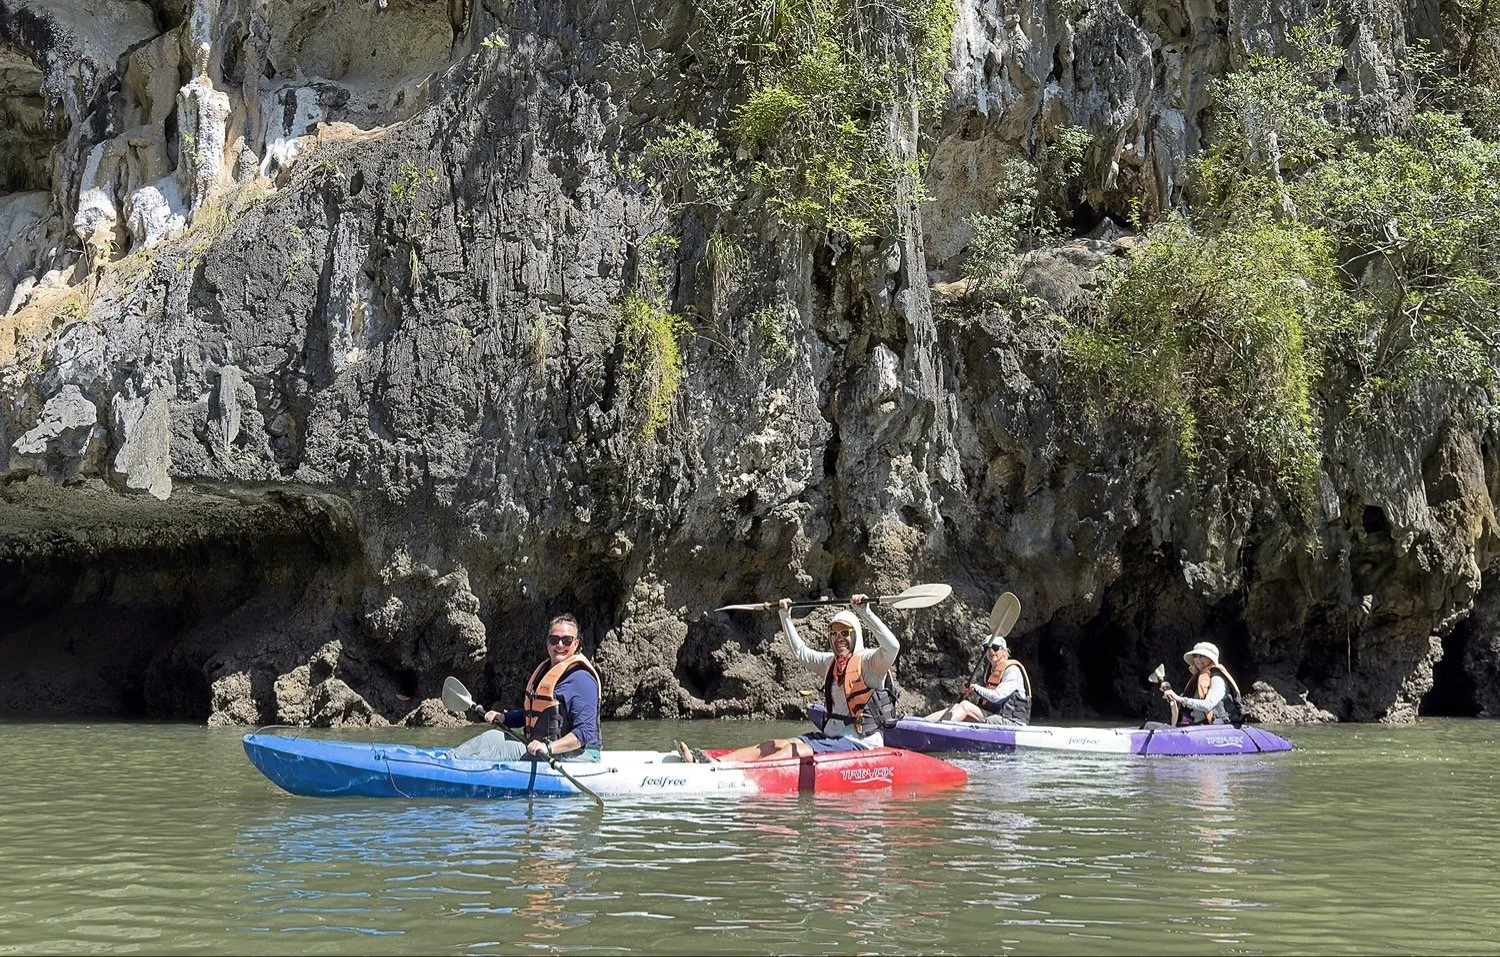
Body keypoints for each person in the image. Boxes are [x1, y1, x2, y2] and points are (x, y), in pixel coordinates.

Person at [676, 593, 900, 762]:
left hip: (860, 744)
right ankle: (711, 762)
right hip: (831, 739)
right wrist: (785, 616)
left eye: (845, 633)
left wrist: (865, 612)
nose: (838, 638)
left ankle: (731, 773)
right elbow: (800, 652)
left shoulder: (871, 663)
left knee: (794, 751)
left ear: (855, 635)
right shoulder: (830, 663)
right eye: (834, 633)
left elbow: (892, 646)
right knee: (773, 744)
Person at [453, 613, 603, 762]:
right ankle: (450, 759)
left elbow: (585, 732)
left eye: (567, 640)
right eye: (554, 639)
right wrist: (505, 718)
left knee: (494, 742)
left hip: (578, 756)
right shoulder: (545, 671)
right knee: (494, 737)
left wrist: (549, 748)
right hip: (541, 749)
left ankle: (450, 764)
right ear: (547, 643)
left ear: (576, 644)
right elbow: (537, 714)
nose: (560, 645)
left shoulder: (582, 680)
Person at [924, 633, 1031, 725]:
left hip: (1012, 722)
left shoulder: (1012, 671)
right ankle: (922, 722)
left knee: (965, 706)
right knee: (957, 707)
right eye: (987, 648)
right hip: (995, 717)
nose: (990, 651)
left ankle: (941, 729)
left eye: (994, 647)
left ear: (1003, 651)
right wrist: (969, 692)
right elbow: (985, 701)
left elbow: (997, 697)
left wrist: (975, 688)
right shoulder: (990, 673)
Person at [1162, 641, 1245, 726]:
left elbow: (1207, 705)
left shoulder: (1217, 679)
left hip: (1211, 728)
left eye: (1202, 656)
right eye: (1195, 656)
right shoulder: (1199, 679)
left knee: (1151, 726)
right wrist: (1170, 692)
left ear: (1211, 658)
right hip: (1193, 725)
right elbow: (1183, 704)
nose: (1198, 660)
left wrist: (1179, 698)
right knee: (1150, 726)